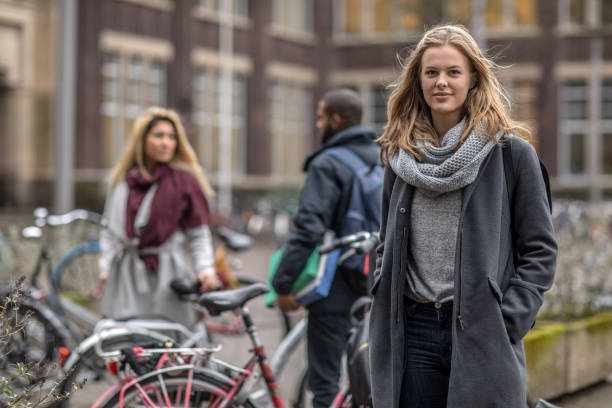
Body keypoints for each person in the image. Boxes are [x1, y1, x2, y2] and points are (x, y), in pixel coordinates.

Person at [369, 25, 557, 408]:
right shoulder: (400, 157)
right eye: (431, 72)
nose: (442, 82)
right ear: (417, 81)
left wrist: (509, 319)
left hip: (482, 328)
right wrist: (380, 284)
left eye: (453, 72)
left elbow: (539, 249)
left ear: (473, 79)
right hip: (413, 328)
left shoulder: (510, 154)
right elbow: (385, 241)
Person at [273, 88, 380, 408]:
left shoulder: (327, 163)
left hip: (335, 282)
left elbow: (308, 228)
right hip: (375, 276)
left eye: (320, 117)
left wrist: (283, 282)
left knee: (325, 383)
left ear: (336, 120)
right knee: (370, 370)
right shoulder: (386, 157)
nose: (317, 125)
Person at [99, 107, 218, 328]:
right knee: (128, 342)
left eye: (172, 137)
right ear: (142, 140)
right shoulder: (123, 181)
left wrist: (205, 269)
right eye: (159, 135)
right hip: (126, 275)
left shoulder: (184, 182)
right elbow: (109, 229)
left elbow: (198, 234)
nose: (166, 143)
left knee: (169, 341)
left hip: (168, 273)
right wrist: (105, 265)